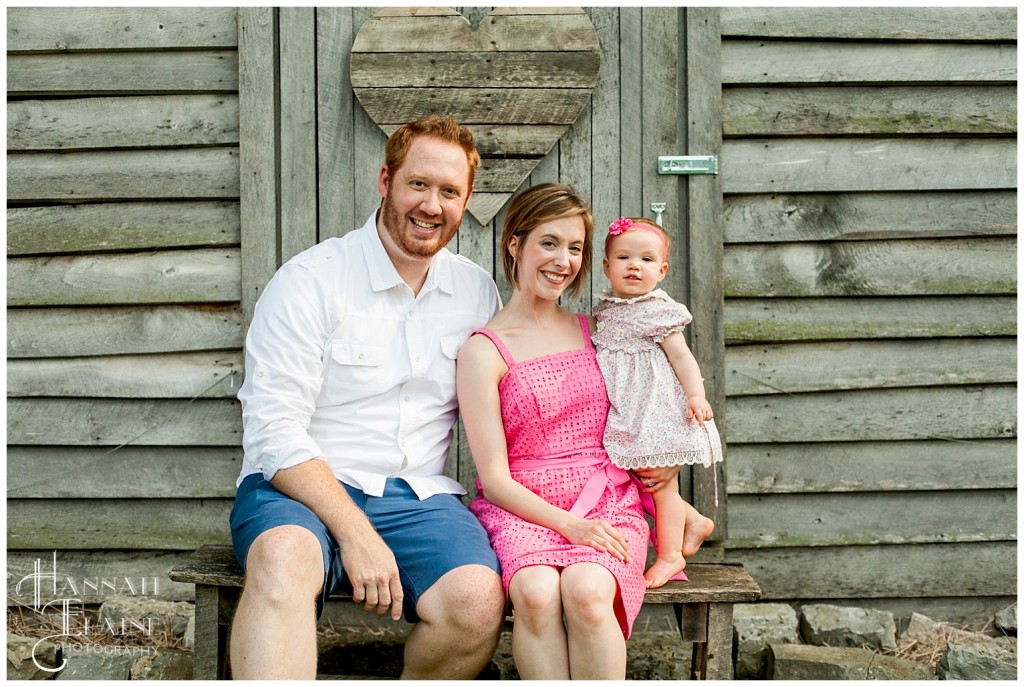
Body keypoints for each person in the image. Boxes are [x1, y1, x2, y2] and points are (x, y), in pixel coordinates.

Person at [229, 115, 505, 679]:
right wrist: (356, 532)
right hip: (298, 490)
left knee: (477, 601)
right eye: (418, 184)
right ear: (386, 181)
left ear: (467, 200)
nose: (432, 205)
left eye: (450, 192)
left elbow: (512, 403)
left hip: (419, 498)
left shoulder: (476, 289)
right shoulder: (311, 280)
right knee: (283, 562)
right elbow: (273, 431)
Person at [456, 184, 649, 680]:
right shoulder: (484, 351)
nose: (563, 260)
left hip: (605, 499)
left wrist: (666, 476)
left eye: (576, 247)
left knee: (587, 591)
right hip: (521, 506)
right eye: (549, 242)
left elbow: (646, 412)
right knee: (535, 594)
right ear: (515, 244)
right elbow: (494, 479)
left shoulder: (597, 329)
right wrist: (568, 526)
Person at [592, 216, 722, 588]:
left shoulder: (659, 309)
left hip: (655, 411)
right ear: (606, 266)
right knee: (640, 479)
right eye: (624, 257)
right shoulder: (606, 309)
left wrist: (696, 396)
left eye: (647, 260)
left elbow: (681, 357)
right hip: (626, 412)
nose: (635, 265)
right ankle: (694, 521)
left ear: (662, 270)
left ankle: (669, 555)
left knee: (660, 485)